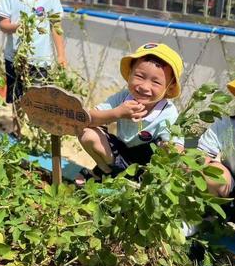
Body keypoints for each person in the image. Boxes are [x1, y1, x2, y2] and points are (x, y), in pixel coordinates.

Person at [77, 43, 184, 183]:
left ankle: (134, 182)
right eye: (139, 76)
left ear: (169, 88)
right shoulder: (123, 98)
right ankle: (106, 171)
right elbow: (86, 118)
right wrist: (118, 113)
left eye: (156, 82)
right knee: (86, 133)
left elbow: (177, 147)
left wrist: (168, 147)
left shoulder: (168, 113)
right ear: (130, 74)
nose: (145, 87)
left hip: (145, 166)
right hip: (119, 154)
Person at [0, 0, 66, 132]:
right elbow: (2, 24)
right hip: (15, 58)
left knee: (39, 98)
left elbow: (56, 26)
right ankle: (18, 131)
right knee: (17, 98)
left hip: (41, 59)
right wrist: (15, 27)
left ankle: (37, 132)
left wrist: (61, 55)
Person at [198, 64, 235, 229]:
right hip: (227, 200)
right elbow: (201, 155)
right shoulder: (224, 126)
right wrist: (210, 163)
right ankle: (206, 217)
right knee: (206, 170)